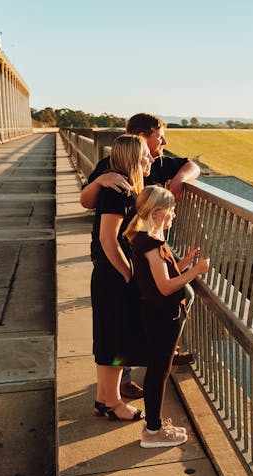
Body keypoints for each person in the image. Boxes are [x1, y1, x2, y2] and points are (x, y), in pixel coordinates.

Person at [81, 113, 201, 399]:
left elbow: (191, 165)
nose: (162, 145)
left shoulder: (148, 168)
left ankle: (118, 389)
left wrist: (179, 180)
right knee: (114, 333)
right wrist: (128, 274)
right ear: (140, 139)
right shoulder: (115, 182)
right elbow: (106, 235)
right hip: (118, 263)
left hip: (135, 258)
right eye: (159, 137)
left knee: (122, 330)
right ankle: (114, 395)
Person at [124, 186, 209, 447]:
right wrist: (196, 270)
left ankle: (155, 425)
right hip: (163, 316)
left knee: (159, 369)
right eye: (171, 209)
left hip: (158, 314)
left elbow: (163, 273)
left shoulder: (144, 237)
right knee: (158, 372)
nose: (174, 213)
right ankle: (153, 432)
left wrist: (183, 263)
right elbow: (165, 286)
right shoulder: (151, 245)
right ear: (158, 212)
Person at [90, 135, 154, 421]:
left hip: (109, 274)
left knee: (108, 340)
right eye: (145, 156)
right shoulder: (118, 192)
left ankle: (103, 399)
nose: (151, 159)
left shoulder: (122, 188)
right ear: (132, 159)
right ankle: (114, 404)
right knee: (115, 342)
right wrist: (129, 275)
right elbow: (108, 239)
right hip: (113, 275)